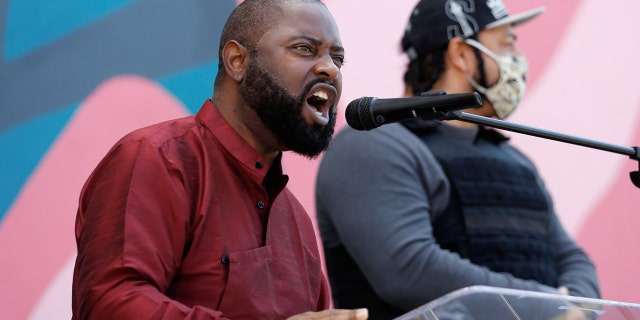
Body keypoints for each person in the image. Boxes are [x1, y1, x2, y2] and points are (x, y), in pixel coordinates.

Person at [72, 1, 369, 319]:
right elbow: (109, 303)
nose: (330, 69)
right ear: (237, 60)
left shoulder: (295, 221)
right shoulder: (157, 158)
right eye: (305, 49)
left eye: (337, 59)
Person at [315, 0, 600, 319]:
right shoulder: (375, 145)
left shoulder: (514, 160)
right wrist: (549, 307)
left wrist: (578, 308)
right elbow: (410, 270)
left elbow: (572, 258)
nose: (518, 61)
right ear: (462, 54)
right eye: (506, 44)